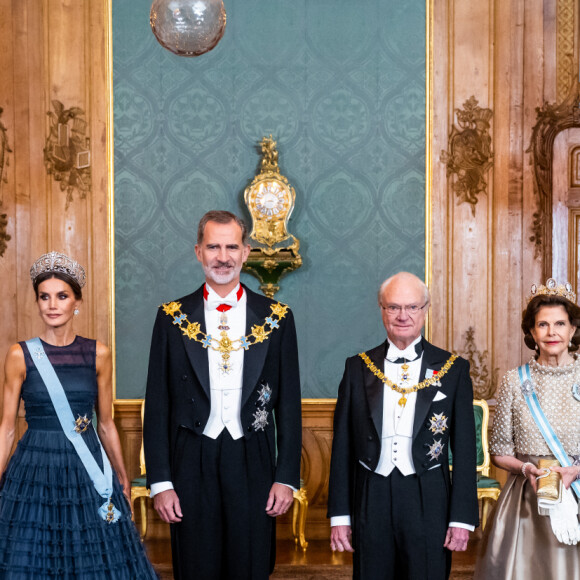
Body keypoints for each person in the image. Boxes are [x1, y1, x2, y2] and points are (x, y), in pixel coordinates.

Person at [143, 210, 302, 580]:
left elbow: (290, 405)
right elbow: (158, 404)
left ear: (246, 252)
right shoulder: (171, 317)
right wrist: (162, 482)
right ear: (198, 251)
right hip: (191, 456)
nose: (223, 256)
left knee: (251, 563)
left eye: (232, 246)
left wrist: (286, 477)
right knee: (196, 564)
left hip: (253, 456)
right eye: (213, 246)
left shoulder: (277, 317)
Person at [0, 251, 158, 579]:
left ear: (77, 302)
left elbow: (105, 423)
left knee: (94, 556)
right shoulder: (19, 355)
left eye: (62, 296)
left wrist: (122, 476)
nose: (52, 305)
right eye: (44, 297)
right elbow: (7, 430)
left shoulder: (98, 354)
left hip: (88, 470)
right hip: (35, 469)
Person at [328, 271, 479, 580]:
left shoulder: (453, 369)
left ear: (425, 310)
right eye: (393, 307)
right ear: (382, 310)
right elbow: (342, 446)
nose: (403, 315)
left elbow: (464, 451)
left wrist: (461, 518)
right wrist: (339, 515)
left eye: (412, 307)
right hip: (372, 493)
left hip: (428, 495)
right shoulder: (357, 367)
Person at [474, 279, 580, 579]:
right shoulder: (513, 381)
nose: (552, 332)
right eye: (542, 325)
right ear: (532, 332)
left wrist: (575, 471)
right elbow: (499, 452)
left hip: (577, 489)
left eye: (560, 323)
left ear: (573, 329)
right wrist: (526, 470)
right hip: (527, 501)